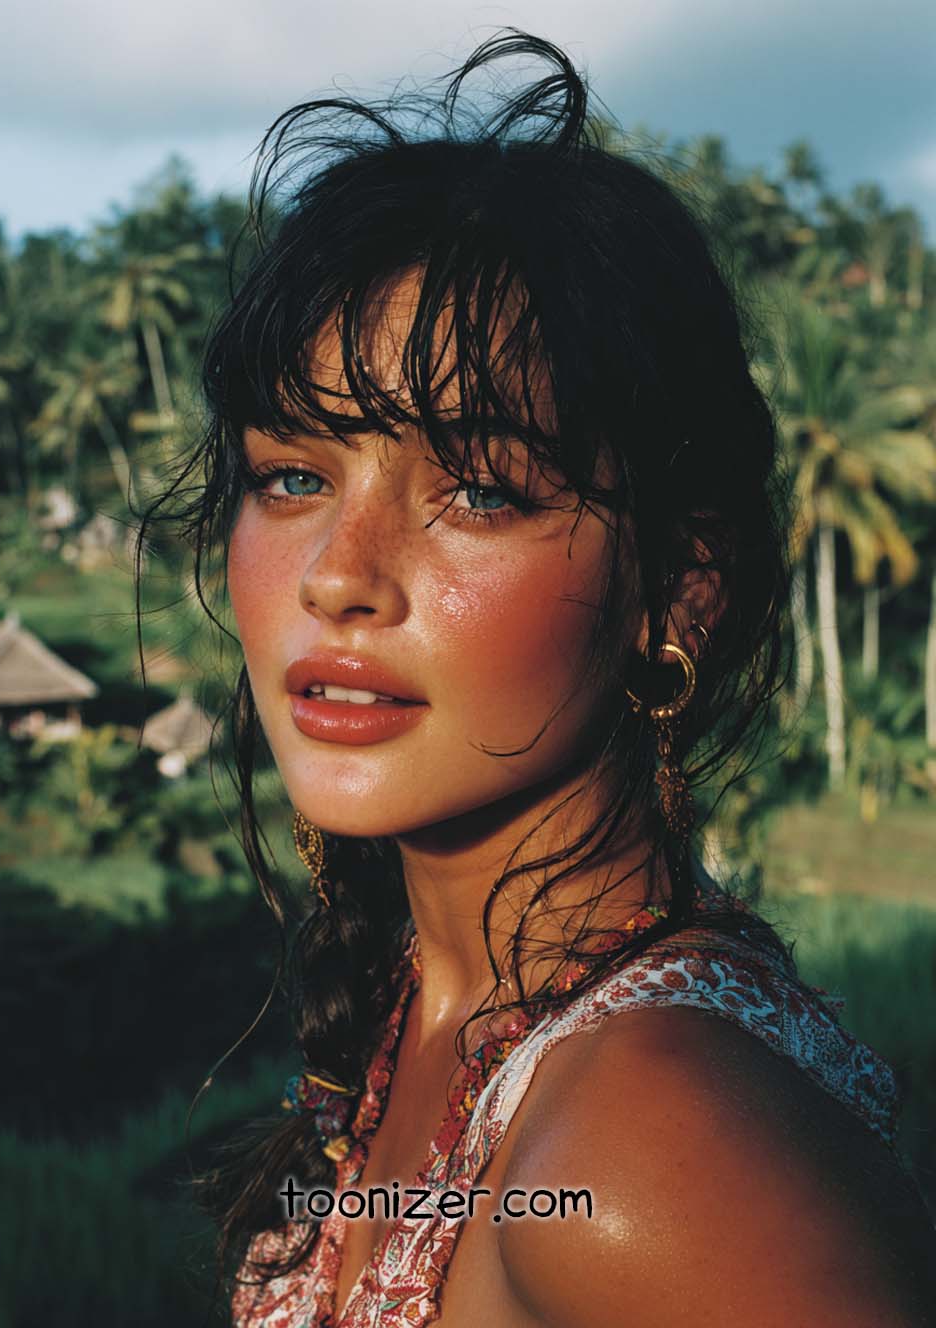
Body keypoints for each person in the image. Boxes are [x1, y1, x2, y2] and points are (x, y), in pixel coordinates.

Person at [139, 31, 936, 1327]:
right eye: (294, 475)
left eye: (480, 490)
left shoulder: (656, 1141)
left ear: (679, 586)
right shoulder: (429, 1019)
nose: (342, 574)